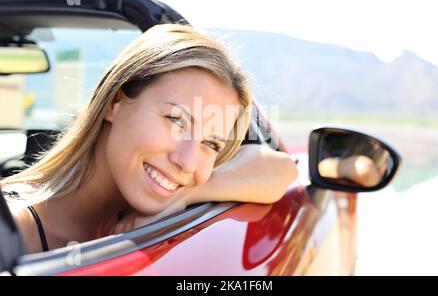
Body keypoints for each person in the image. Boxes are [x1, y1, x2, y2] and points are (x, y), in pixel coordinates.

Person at [0, 24, 299, 253]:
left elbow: (282, 169)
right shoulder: (12, 230)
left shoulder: (162, 201)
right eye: (176, 121)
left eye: (211, 144)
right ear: (114, 102)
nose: (186, 161)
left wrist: (188, 193)